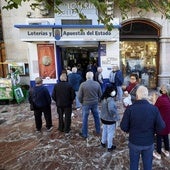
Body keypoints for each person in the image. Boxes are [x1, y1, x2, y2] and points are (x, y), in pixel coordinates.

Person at [120, 85, 165, 170]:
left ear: (137, 96)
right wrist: (154, 132)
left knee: (133, 165)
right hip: (148, 142)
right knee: (148, 166)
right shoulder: (154, 109)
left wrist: (131, 130)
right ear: (147, 96)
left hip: (134, 142)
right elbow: (162, 126)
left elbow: (123, 127)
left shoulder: (130, 109)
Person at [78, 71, 102, 138]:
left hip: (85, 103)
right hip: (95, 103)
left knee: (85, 118)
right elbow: (100, 95)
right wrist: (98, 101)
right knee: (97, 117)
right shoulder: (97, 84)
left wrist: (82, 102)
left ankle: (85, 134)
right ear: (92, 76)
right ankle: (98, 131)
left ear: (86, 77)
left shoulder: (82, 84)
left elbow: (79, 96)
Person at [100, 85, 120, 152]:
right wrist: (115, 116)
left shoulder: (104, 98)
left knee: (105, 130)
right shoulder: (110, 100)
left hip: (103, 118)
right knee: (110, 133)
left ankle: (103, 142)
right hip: (109, 119)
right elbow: (111, 109)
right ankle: (109, 146)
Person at [153, 84, 170, 159]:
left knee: (159, 136)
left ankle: (158, 153)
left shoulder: (160, 99)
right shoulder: (168, 99)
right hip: (168, 121)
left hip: (161, 121)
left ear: (163, 91)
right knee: (166, 135)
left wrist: (154, 99)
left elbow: (154, 109)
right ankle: (167, 151)